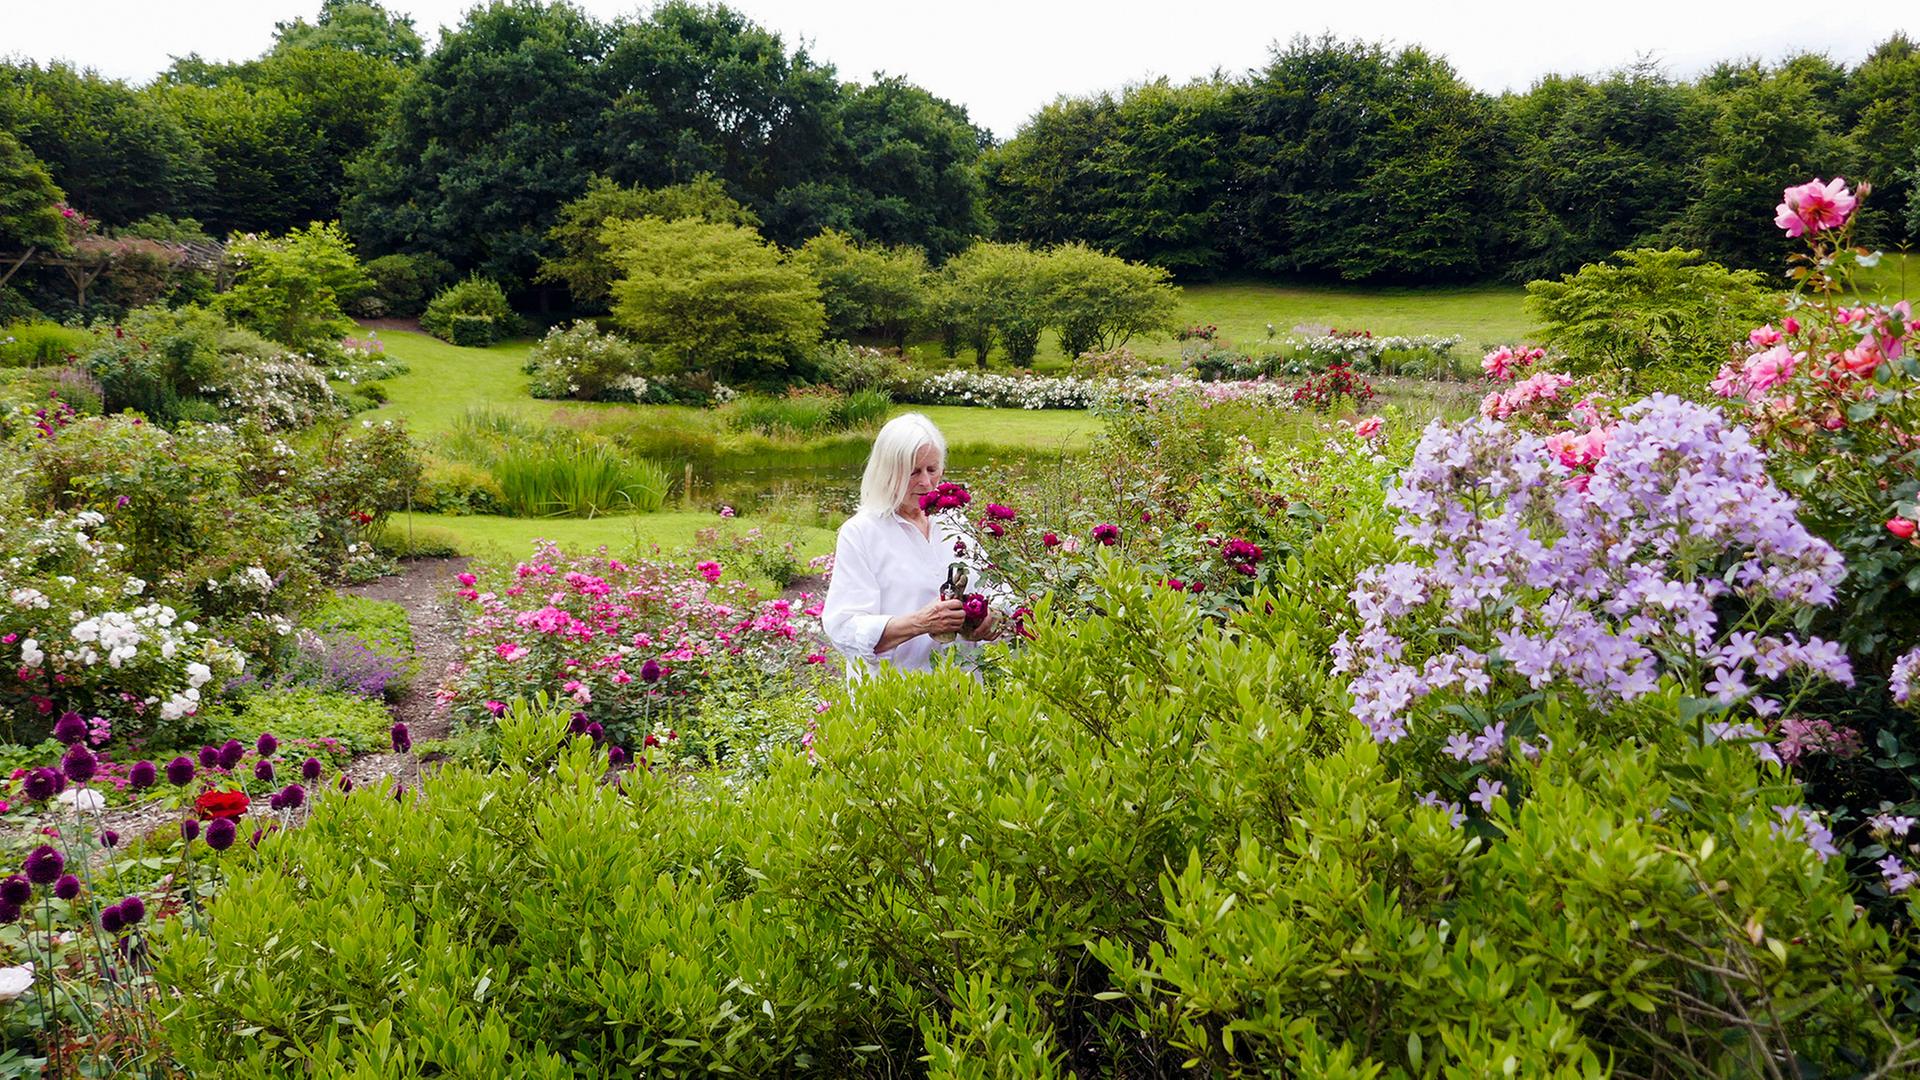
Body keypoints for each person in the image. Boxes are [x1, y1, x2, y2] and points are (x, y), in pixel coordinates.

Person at [821, 413, 1000, 678]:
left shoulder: (953, 523)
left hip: (962, 691)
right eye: (913, 471)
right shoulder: (861, 533)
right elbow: (844, 628)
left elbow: (995, 587)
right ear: (888, 472)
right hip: (896, 696)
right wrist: (919, 622)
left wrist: (990, 616)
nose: (926, 482)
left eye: (932, 469)